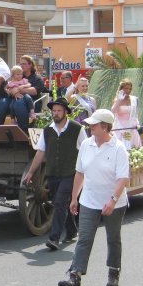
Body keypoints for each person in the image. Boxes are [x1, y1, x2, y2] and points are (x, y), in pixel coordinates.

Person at [58, 109, 130, 286]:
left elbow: (123, 178)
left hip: (113, 201)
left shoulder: (118, 148)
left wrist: (113, 200)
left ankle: (114, 271)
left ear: (105, 127)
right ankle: (75, 277)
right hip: (89, 199)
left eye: (94, 125)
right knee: (84, 238)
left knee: (113, 238)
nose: (90, 127)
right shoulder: (86, 145)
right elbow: (80, 172)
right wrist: (74, 198)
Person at [22, 98, 87, 251]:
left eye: (59, 111)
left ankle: (54, 238)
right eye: (54, 111)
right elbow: (40, 152)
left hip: (70, 173)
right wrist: (31, 172)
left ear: (65, 112)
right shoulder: (47, 130)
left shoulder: (77, 129)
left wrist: (86, 171)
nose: (56, 114)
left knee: (59, 203)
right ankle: (71, 230)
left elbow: (86, 150)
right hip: (52, 174)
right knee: (61, 203)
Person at [0, 55, 45, 130]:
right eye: (20, 64)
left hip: (30, 102)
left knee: (19, 103)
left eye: (24, 64)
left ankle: (23, 131)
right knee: (2, 102)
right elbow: (7, 88)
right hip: (13, 99)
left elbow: (34, 91)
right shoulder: (16, 75)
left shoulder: (36, 78)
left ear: (30, 65)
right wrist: (12, 91)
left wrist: (17, 89)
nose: (21, 66)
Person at [110, 79, 141, 149]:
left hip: (131, 128)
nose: (128, 90)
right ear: (121, 89)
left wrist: (137, 123)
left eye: (130, 88)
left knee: (134, 149)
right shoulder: (117, 99)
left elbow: (135, 114)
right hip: (119, 128)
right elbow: (112, 111)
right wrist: (119, 100)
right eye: (126, 88)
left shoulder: (134, 99)